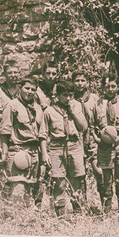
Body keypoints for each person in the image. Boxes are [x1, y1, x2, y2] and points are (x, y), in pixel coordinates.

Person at [39, 81, 88, 216]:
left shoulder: (76, 107)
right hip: (56, 148)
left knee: (77, 181)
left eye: (70, 95)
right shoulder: (49, 111)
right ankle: (61, 215)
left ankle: (78, 213)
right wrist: (44, 153)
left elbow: (83, 127)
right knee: (59, 183)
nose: (68, 99)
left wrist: (73, 111)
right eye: (65, 95)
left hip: (74, 147)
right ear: (57, 96)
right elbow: (43, 134)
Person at [93, 73, 119, 213]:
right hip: (104, 146)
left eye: (113, 86)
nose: (110, 89)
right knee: (106, 179)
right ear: (103, 87)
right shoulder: (98, 104)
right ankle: (107, 210)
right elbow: (92, 126)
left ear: (118, 86)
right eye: (107, 86)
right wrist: (97, 138)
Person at [0, 76, 43, 206]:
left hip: (34, 152)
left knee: (32, 188)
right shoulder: (12, 105)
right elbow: (4, 131)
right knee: (17, 188)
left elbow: (42, 133)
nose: (29, 92)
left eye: (33, 89)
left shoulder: (38, 108)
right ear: (20, 88)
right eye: (26, 88)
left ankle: (28, 219)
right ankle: (14, 219)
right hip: (18, 150)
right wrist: (4, 153)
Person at [72, 70, 103, 203]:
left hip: (93, 138)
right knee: (79, 172)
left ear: (87, 83)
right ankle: (81, 203)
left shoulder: (95, 98)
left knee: (99, 170)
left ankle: (104, 201)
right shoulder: (71, 99)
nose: (79, 84)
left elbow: (101, 118)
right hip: (77, 139)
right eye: (77, 81)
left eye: (82, 80)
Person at [0, 60, 21, 125]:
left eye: (15, 72)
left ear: (19, 73)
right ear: (4, 74)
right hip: (4, 129)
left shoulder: (24, 91)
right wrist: (7, 116)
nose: (13, 75)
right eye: (9, 73)